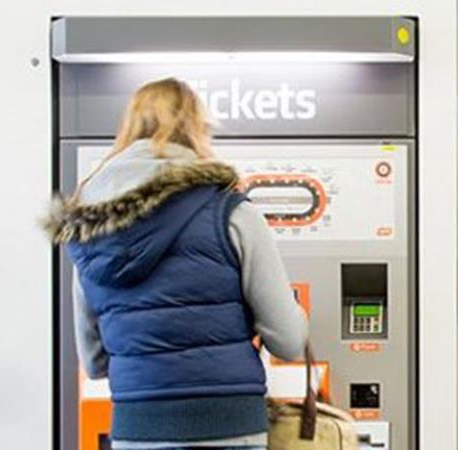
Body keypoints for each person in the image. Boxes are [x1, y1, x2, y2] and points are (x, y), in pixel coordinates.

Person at [45, 78, 307, 450]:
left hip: (139, 430)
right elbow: (289, 341)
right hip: (228, 426)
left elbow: (95, 362)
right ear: (196, 129)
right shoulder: (231, 213)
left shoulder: (90, 230)